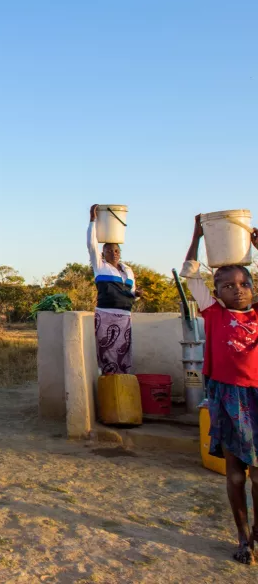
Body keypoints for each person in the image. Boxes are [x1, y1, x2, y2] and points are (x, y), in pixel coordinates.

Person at [183, 214, 258, 564]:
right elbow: (190, 274)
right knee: (235, 473)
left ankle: (256, 534)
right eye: (229, 286)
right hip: (228, 397)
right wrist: (197, 235)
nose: (238, 289)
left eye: (244, 283)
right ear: (216, 294)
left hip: (256, 397)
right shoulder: (213, 313)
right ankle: (243, 538)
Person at [87, 204, 141, 374]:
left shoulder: (128, 271)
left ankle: (122, 386)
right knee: (106, 353)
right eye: (109, 250)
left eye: (116, 250)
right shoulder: (100, 266)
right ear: (103, 253)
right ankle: (108, 385)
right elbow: (91, 244)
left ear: (120, 252)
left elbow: (130, 295)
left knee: (124, 354)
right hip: (105, 315)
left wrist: (137, 295)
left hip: (125, 316)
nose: (114, 252)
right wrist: (92, 220)